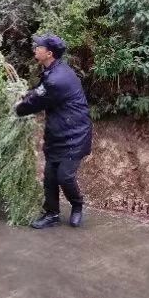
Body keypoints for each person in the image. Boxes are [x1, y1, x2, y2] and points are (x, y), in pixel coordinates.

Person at [15, 34, 92, 229]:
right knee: (50, 176)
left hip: (74, 136)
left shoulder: (57, 79)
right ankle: (52, 214)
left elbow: (35, 103)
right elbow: (39, 91)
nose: (35, 48)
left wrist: (16, 108)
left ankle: (77, 206)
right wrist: (25, 93)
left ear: (49, 53)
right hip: (57, 133)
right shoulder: (53, 71)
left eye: (38, 47)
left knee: (64, 176)